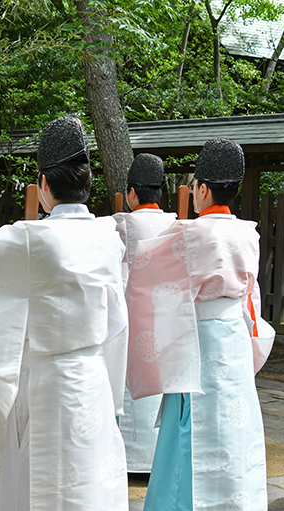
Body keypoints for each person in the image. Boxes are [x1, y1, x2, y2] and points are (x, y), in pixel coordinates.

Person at [0, 116, 130, 511]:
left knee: (42, 491)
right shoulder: (109, 235)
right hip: (92, 376)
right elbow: (115, 320)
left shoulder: (28, 239)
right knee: (91, 487)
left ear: (42, 186)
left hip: (47, 382)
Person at [126, 138, 274, 511]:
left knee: (190, 427)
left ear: (202, 189)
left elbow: (145, 279)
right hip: (233, 337)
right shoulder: (249, 234)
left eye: (193, 185)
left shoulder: (187, 233)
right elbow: (251, 296)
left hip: (198, 338)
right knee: (234, 426)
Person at [113, 153, 176, 474]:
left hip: (129, 317)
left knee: (128, 386)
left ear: (132, 193)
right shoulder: (175, 225)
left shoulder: (122, 225)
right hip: (166, 320)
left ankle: (129, 456)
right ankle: (158, 456)